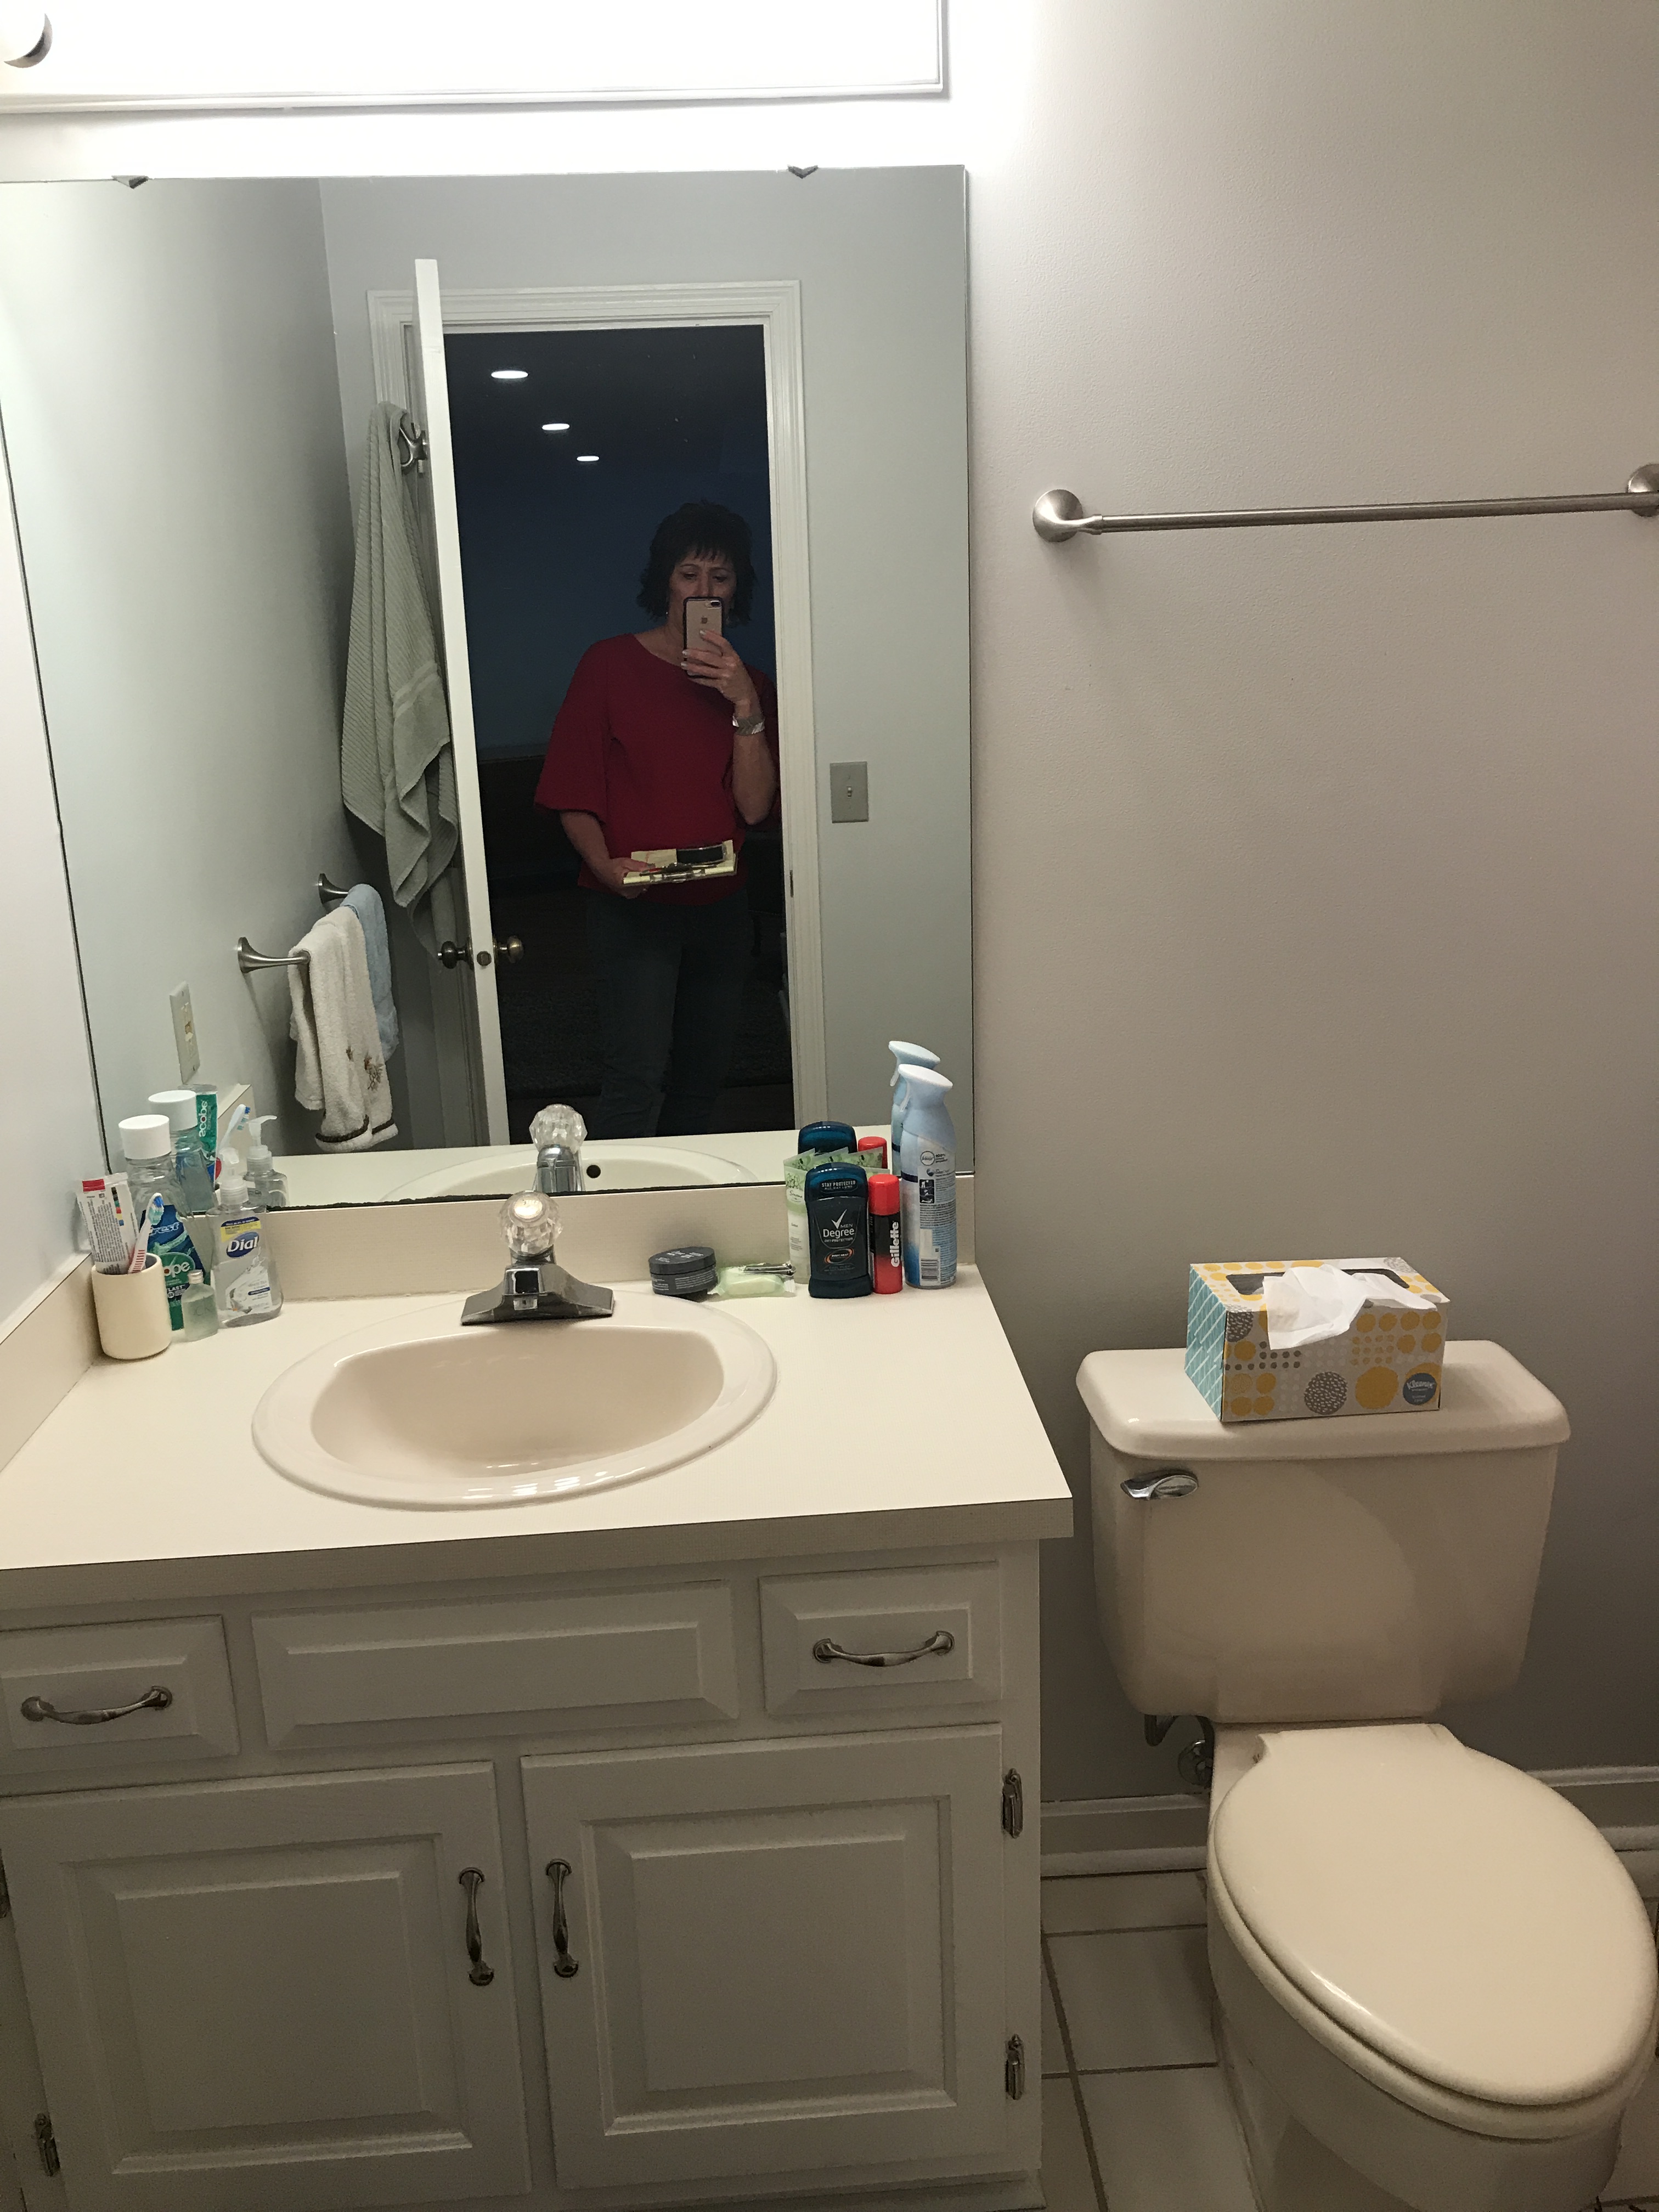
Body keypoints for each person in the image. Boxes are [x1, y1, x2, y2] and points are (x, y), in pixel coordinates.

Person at [533, 501, 780, 1138]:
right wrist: (603, 867)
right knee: (636, 1079)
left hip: (721, 907)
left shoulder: (751, 685)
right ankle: (624, 1197)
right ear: (665, 582)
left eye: (720, 578)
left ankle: (684, 1196)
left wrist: (744, 704)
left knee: (703, 1080)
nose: (702, 590)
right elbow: (572, 789)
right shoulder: (608, 666)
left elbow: (755, 807)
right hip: (633, 908)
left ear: (737, 590)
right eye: (688, 574)